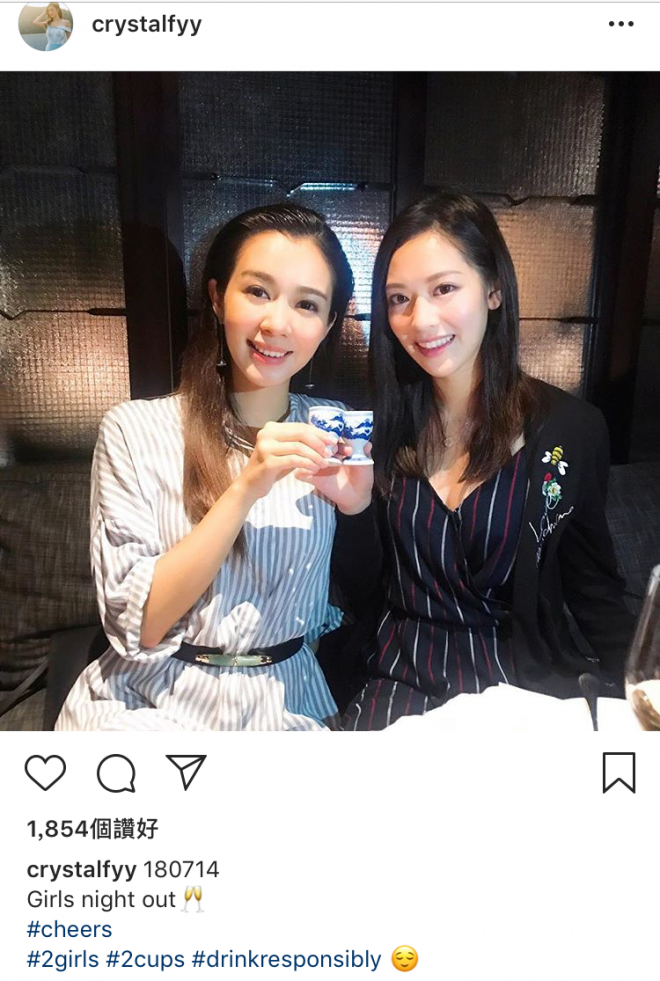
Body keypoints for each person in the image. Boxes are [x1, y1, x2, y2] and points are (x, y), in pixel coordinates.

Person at [56, 203, 373, 731]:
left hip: (287, 703)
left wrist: (358, 508)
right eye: (258, 291)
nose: (277, 323)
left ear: (328, 324)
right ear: (217, 297)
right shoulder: (135, 431)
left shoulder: (334, 430)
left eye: (307, 304)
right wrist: (245, 488)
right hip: (150, 702)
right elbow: (141, 624)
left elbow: (371, 594)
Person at [340, 193, 635, 730]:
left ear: (494, 288)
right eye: (399, 298)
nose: (420, 320)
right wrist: (353, 510)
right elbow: (361, 587)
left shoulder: (570, 429)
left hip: (518, 688)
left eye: (444, 289)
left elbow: (594, 590)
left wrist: (644, 684)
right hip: (399, 679)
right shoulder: (377, 430)